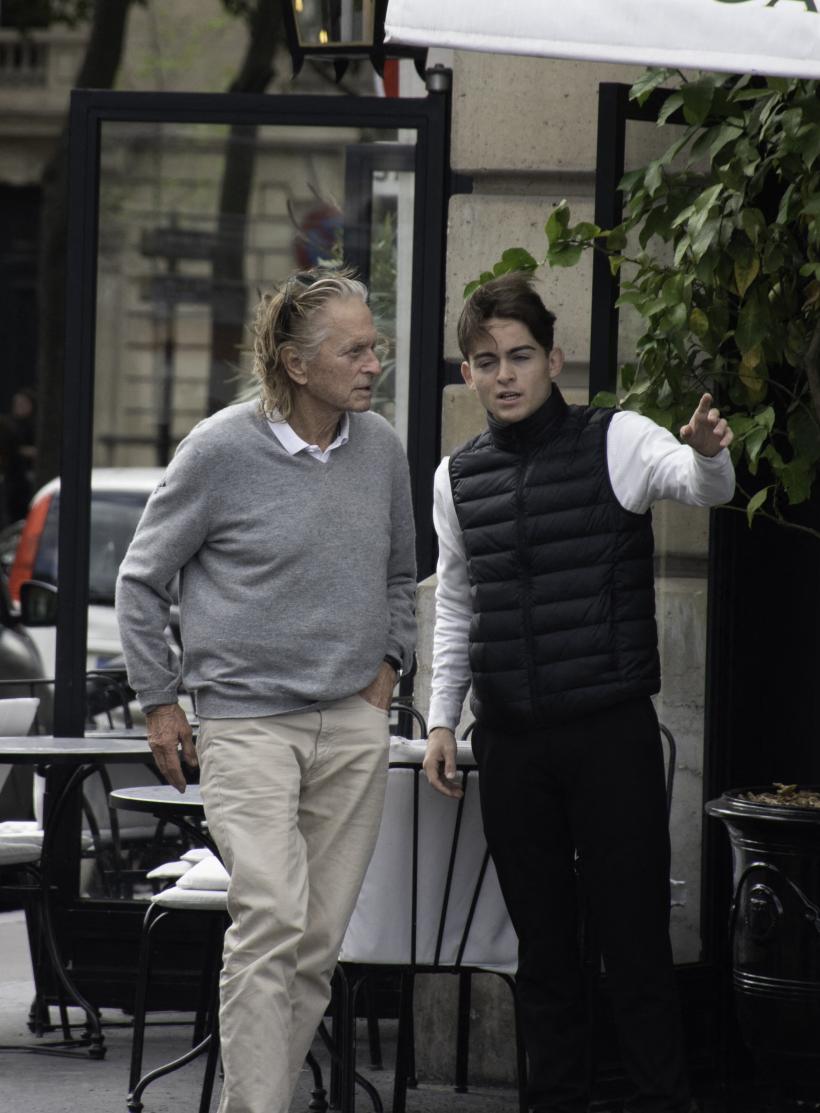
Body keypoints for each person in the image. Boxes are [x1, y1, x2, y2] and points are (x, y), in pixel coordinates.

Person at [423, 272, 734, 1113]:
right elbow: (457, 599)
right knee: (545, 955)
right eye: (487, 361)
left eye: (521, 355)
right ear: (467, 374)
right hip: (513, 741)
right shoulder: (458, 477)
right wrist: (441, 720)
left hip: (609, 734)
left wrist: (708, 451)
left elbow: (703, 488)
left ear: (554, 357)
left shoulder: (618, 438)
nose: (506, 374)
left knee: (634, 947)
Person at [115, 267, 416, 1113]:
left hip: (351, 723)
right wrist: (161, 701)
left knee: (315, 945)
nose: (372, 364)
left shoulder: (382, 448)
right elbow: (141, 581)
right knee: (273, 917)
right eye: (353, 350)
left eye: (375, 347)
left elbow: (402, 572)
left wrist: (389, 667)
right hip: (248, 725)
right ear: (294, 361)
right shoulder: (218, 449)